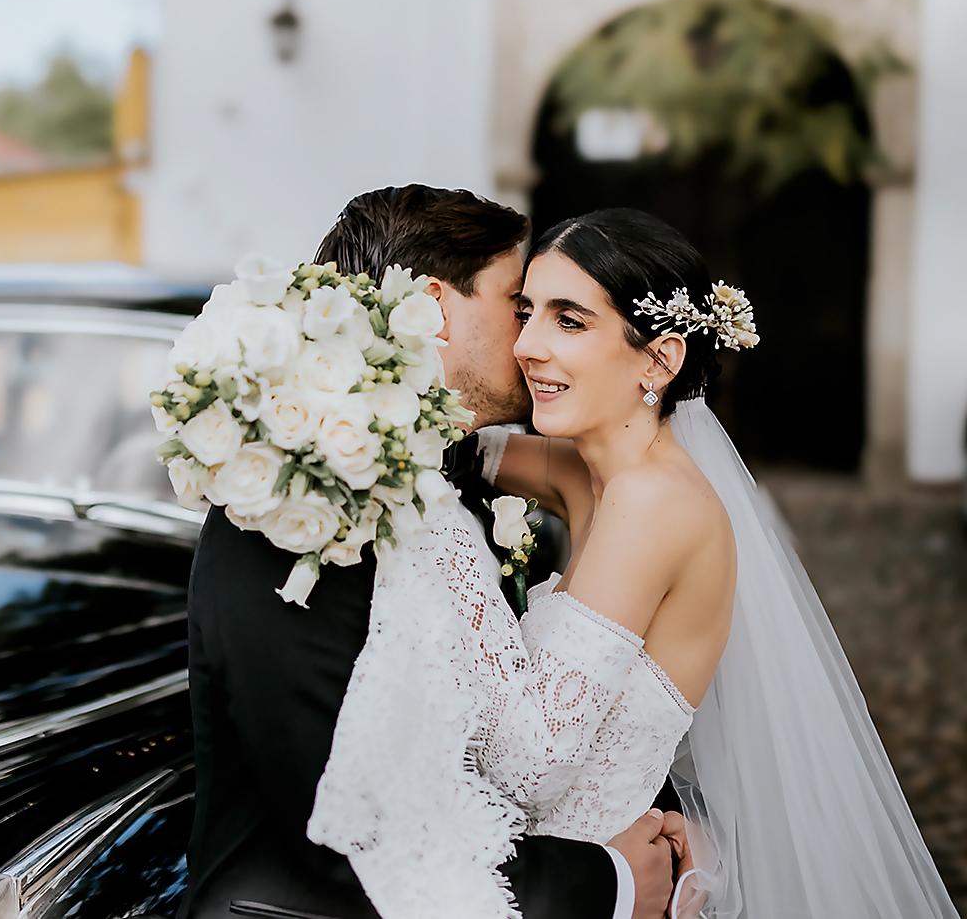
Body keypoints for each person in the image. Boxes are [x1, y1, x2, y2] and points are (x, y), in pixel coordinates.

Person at [314, 207, 957, 917]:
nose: (527, 344)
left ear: (660, 359)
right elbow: (441, 445)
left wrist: (449, 559)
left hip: (592, 888)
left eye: (570, 320)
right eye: (525, 312)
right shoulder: (583, 471)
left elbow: (527, 762)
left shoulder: (656, 503)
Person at [177, 188, 680, 919]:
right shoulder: (302, 511)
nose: (531, 339)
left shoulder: (455, 470)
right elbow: (354, 825)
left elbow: (532, 702)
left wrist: (634, 809)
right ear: (434, 307)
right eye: (517, 307)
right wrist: (611, 879)